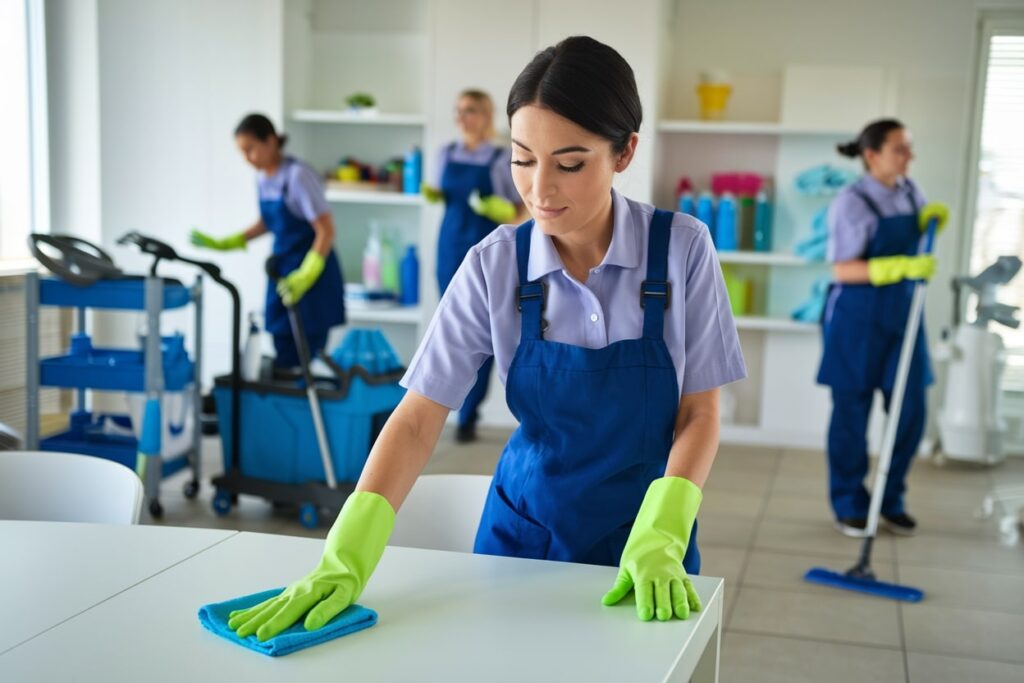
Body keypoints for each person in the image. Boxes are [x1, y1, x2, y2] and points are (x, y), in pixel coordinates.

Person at [223, 36, 746, 641]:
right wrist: (344, 555)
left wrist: (664, 531)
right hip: (520, 537)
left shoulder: (682, 249)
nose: (540, 191)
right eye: (523, 160)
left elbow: (700, 411)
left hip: (648, 542)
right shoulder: (494, 265)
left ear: (625, 152)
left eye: (569, 163)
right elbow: (417, 420)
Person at [818, 118, 937, 537]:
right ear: (872, 156)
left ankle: (890, 498)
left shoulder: (910, 191)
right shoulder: (851, 202)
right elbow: (842, 269)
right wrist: (897, 266)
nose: (909, 156)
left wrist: (930, 226)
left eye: (909, 148)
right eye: (899, 149)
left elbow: (919, 244)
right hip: (856, 317)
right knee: (852, 412)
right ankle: (850, 502)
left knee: (910, 411)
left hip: (903, 316)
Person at [191, 113, 344, 367]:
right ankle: (284, 401)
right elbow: (267, 222)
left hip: (311, 273)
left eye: (250, 149)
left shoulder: (298, 176)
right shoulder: (262, 178)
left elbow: (326, 229)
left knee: (307, 349)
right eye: (242, 152)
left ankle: (303, 404)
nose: (247, 158)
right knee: (279, 338)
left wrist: (306, 274)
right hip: (282, 269)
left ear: (271, 141)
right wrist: (228, 242)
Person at [422, 89, 527, 442]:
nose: (462, 118)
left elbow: (521, 208)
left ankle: (469, 414)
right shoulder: (445, 153)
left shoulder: (501, 158)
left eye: (469, 111)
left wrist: (501, 211)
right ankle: (444, 408)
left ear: (486, 114)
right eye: (458, 111)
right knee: (452, 328)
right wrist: (434, 194)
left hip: (487, 251)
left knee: (487, 332)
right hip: (449, 246)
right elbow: (439, 191)